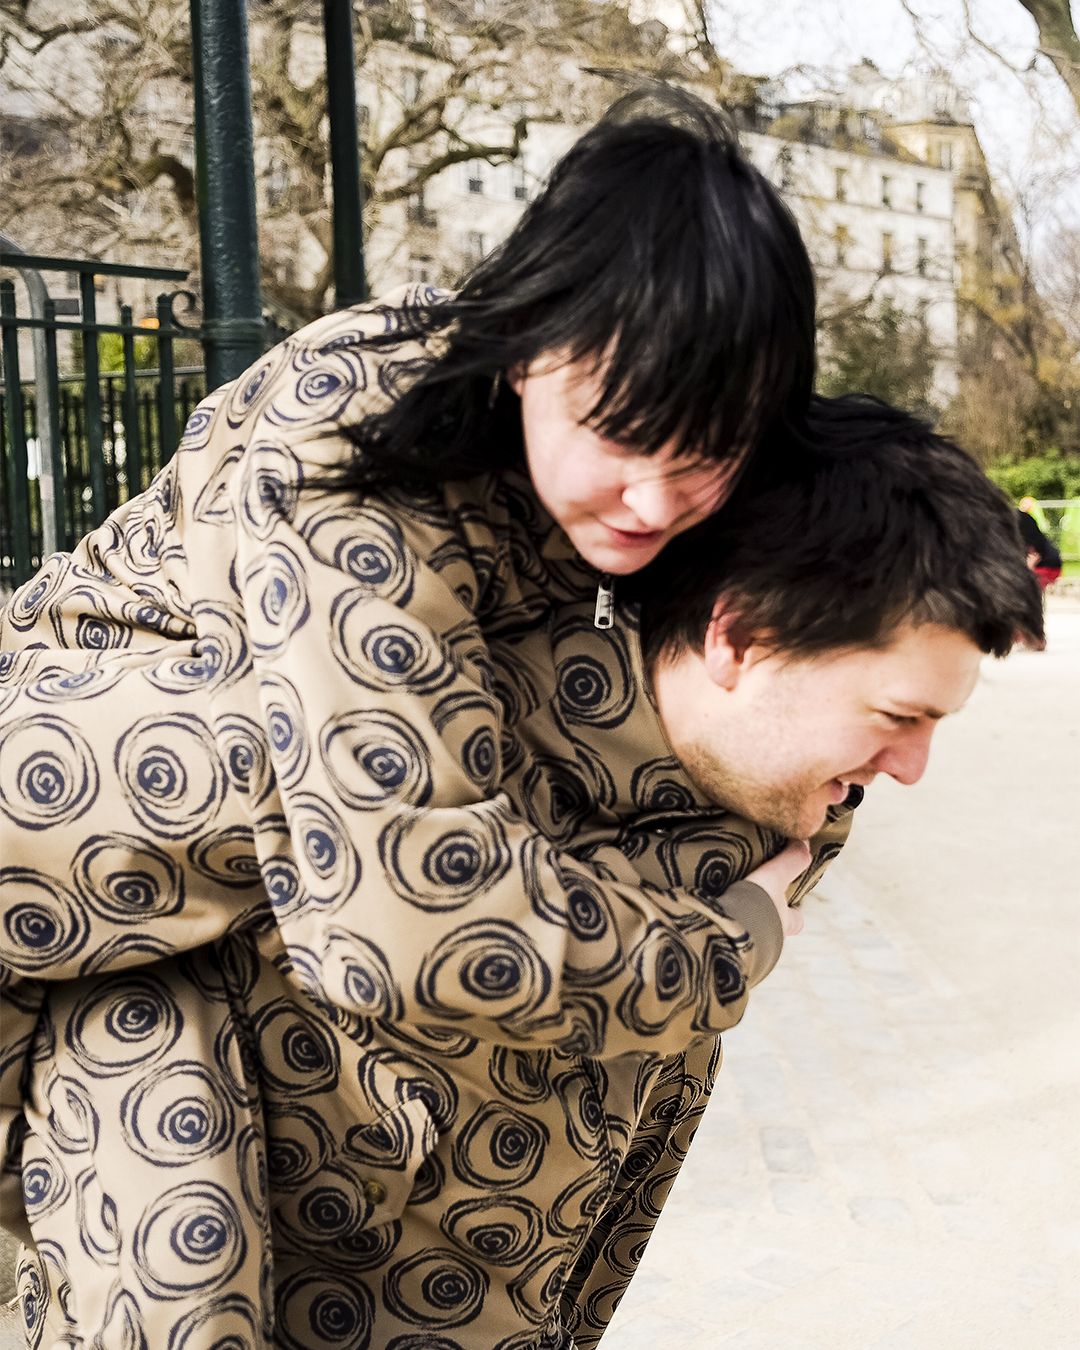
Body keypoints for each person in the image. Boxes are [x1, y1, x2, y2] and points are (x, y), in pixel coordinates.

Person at [1, 83, 826, 1347]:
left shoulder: (611, 509)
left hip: (200, 957)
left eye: (707, 454)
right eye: (622, 432)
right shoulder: (354, 427)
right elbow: (412, 922)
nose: (656, 501)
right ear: (534, 341)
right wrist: (728, 945)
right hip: (60, 844)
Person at [2, 381, 1043, 1348]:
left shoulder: (769, 824)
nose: (911, 769)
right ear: (740, 638)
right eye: (897, 715)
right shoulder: (354, 732)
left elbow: (619, 1165)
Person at [1017, 500, 1063, 590]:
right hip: (1050, 562)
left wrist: (1027, 569)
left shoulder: (1023, 522)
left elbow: (1034, 556)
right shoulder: (1024, 519)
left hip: (1047, 565)